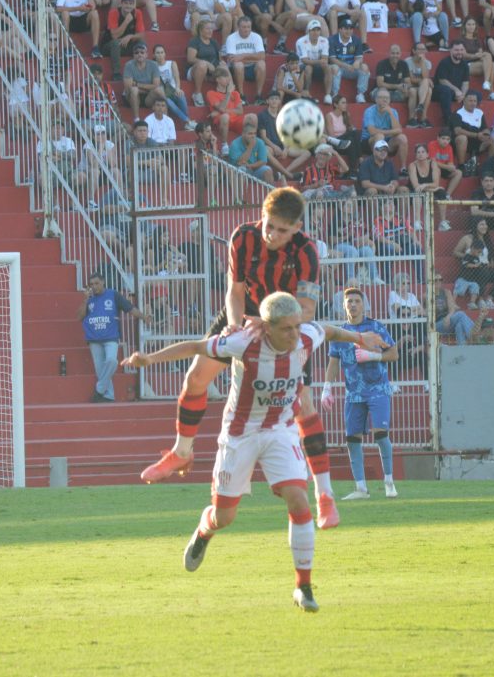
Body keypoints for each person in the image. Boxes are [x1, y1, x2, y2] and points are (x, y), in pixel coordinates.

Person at [122, 292, 384, 612]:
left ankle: (303, 587)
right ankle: (204, 529)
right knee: (224, 516)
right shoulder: (242, 342)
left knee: (298, 499)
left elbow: (328, 330)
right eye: (286, 329)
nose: (294, 334)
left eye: (296, 326)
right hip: (239, 435)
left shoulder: (305, 335)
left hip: (279, 430)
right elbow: (195, 347)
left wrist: (360, 337)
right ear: (268, 328)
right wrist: (149, 359)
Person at [138, 189, 381, 532]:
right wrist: (234, 326)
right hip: (245, 315)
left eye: (282, 230)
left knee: (304, 405)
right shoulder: (242, 237)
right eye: (269, 225)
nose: (272, 234)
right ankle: (182, 451)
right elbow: (235, 291)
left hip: (286, 324)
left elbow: (306, 310)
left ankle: (325, 495)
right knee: (196, 377)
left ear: (296, 228)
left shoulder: (307, 252)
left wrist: (270, 324)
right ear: (262, 216)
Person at [321, 288, 399, 500]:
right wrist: (326, 387)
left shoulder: (375, 327)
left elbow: (393, 353)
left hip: (378, 389)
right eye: (349, 301)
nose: (353, 304)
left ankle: (389, 482)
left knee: (380, 434)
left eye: (357, 301)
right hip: (353, 393)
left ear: (364, 305)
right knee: (352, 439)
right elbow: (334, 362)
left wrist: (373, 356)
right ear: (344, 305)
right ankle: (361, 488)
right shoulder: (339, 333)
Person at [79, 272, 150, 403]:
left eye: (97, 283)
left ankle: (99, 390)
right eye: (91, 284)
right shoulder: (89, 299)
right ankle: (108, 396)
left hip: (111, 337)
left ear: (103, 282)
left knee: (112, 361)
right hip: (93, 339)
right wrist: (86, 300)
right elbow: (80, 316)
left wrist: (144, 317)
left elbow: (129, 308)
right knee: (100, 370)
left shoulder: (113, 295)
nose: (94, 286)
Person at [257, 92, 313, 178]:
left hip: (282, 145)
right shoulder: (262, 115)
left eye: (276, 99)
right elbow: (263, 137)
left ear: (280, 101)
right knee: (265, 151)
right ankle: (287, 174)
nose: (274, 101)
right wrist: (275, 147)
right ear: (267, 101)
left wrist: (285, 149)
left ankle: (284, 173)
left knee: (307, 153)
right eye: (272, 99)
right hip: (269, 145)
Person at [453, 219, 494, 308]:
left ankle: (489, 299)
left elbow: (487, 257)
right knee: (483, 272)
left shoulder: (486, 239)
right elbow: (455, 252)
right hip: (474, 269)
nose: (484, 226)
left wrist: (491, 263)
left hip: (485, 267)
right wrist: (469, 257)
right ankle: (480, 299)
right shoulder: (467, 238)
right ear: (475, 226)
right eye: (481, 224)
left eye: (485, 224)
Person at [361, 89, 409, 171]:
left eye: (387, 98)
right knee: (380, 136)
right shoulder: (369, 111)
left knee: (402, 138)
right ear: (376, 99)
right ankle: (377, 167)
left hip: (387, 141)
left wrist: (390, 113)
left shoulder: (393, 111)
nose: (384, 100)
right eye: (381, 97)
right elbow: (372, 131)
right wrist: (391, 133)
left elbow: (399, 130)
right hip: (369, 141)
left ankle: (403, 168)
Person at [223, 16, 267, 105]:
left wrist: (242, 56)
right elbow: (232, 59)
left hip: (252, 68)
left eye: (248, 27)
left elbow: (262, 56)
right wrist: (253, 58)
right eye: (244, 27)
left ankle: (258, 96)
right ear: (238, 27)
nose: (246, 29)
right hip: (236, 69)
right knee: (238, 65)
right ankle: (241, 95)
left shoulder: (256, 37)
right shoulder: (231, 38)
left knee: (262, 64)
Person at [101, 0, 146, 81]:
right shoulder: (114, 12)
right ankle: (116, 73)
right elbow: (114, 36)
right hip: (109, 46)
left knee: (141, 42)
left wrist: (130, 36)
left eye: (131, 3)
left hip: (126, 44)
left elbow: (142, 34)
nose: (128, 6)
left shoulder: (137, 13)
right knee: (115, 43)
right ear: (121, 4)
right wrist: (126, 22)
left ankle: (141, 70)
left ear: (134, 5)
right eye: (126, 3)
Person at [329, 18, 372, 103]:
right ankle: (334, 94)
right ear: (340, 29)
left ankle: (360, 94)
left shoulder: (356, 40)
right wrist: (346, 66)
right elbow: (332, 59)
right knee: (334, 68)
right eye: (346, 29)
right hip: (339, 68)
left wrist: (357, 62)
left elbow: (359, 58)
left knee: (364, 67)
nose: (349, 31)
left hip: (351, 68)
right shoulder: (332, 40)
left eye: (351, 29)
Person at [409, 144, 451, 227]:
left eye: (423, 152)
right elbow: (416, 186)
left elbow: (436, 184)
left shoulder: (433, 164)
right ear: (416, 155)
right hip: (416, 191)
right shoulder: (412, 165)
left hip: (428, 189)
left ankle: (443, 222)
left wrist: (425, 185)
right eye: (418, 152)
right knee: (417, 194)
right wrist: (433, 189)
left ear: (427, 154)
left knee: (442, 192)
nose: (420, 154)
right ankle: (417, 222)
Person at [449, 92, 494, 169]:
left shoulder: (479, 112)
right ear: (464, 101)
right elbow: (457, 131)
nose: (473, 103)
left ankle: (490, 167)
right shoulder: (458, 113)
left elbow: (485, 128)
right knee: (462, 138)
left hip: (477, 142)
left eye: (474, 101)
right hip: (461, 143)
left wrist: (486, 133)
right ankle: (461, 166)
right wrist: (476, 135)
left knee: (492, 139)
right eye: (470, 101)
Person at [207, 67, 246, 154]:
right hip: (221, 121)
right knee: (225, 116)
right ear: (217, 79)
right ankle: (224, 145)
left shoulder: (235, 93)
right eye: (224, 76)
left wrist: (220, 111)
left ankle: (248, 144)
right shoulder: (211, 93)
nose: (228, 79)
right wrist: (228, 93)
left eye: (228, 76)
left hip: (235, 120)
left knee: (252, 118)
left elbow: (240, 111)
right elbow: (221, 108)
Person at [457, 17, 494, 98]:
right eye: (469, 24)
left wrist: (480, 55)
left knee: (491, 62)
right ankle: (491, 91)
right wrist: (475, 56)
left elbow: (481, 53)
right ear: (464, 26)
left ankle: (486, 82)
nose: (471, 26)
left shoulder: (477, 40)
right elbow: (464, 55)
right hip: (465, 65)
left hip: (477, 63)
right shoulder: (461, 40)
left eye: (473, 24)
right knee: (491, 65)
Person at [186, 21, 224, 107]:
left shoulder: (214, 42)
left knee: (224, 67)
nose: (210, 31)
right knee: (202, 65)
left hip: (211, 70)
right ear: (200, 30)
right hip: (194, 70)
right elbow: (190, 59)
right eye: (207, 29)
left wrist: (222, 64)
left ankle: (227, 94)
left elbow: (219, 59)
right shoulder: (194, 41)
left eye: (211, 28)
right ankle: (197, 94)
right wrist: (207, 63)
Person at [123, 42, 165, 118]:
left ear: (146, 54)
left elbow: (156, 85)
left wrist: (137, 84)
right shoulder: (129, 65)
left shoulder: (153, 65)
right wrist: (149, 88)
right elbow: (128, 87)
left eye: (142, 52)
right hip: (131, 97)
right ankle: (136, 119)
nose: (139, 54)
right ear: (133, 55)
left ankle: (165, 118)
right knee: (134, 90)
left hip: (148, 97)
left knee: (160, 90)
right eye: (136, 53)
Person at [297, 19, 334, 104]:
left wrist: (320, 62)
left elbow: (325, 59)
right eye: (313, 30)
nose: (316, 32)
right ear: (308, 31)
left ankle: (328, 95)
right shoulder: (301, 41)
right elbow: (304, 60)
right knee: (309, 67)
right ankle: (306, 92)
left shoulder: (324, 41)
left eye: (318, 30)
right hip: (301, 67)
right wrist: (320, 61)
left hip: (317, 66)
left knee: (327, 67)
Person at [433, 278, 480, 343]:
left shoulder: (446, 292)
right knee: (460, 314)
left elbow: (452, 308)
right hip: (436, 325)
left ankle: (462, 347)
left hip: (448, 321)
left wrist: (448, 317)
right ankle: (474, 337)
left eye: (440, 279)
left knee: (459, 325)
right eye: (436, 280)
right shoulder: (426, 295)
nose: (438, 281)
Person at [433, 41, 474, 115]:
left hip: (456, 93)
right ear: (451, 50)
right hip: (441, 91)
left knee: (476, 95)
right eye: (456, 50)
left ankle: (470, 117)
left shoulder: (464, 65)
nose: (459, 52)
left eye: (461, 50)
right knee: (446, 91)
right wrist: (456, 90)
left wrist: (463, 95)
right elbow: (442, 81)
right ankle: (448, 118)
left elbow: (465, 83)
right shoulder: (444, 62)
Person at [404, 43, 435, 127]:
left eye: (423, 49)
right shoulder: (407, 61)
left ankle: (423, 117)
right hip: (408, 85)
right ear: (414, 51)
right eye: (419, 49)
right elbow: (411, 79)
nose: (422, 51)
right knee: (413, 91)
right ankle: (412, 118)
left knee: (429, 90)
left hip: (421, 87)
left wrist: (422, 62)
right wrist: (425, 80)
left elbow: (425, 76)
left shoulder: (427, 63)